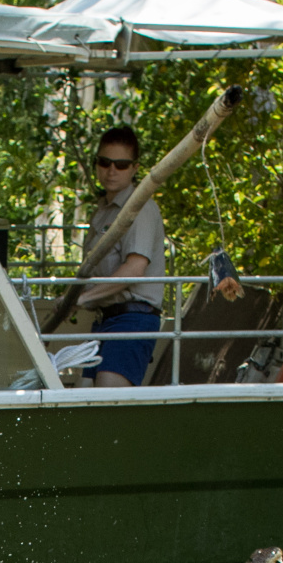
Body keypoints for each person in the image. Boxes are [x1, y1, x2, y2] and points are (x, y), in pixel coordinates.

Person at [78, 125, 165, 389]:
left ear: (135, 168)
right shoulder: (102, 211)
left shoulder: (140, 209)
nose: (112, 170)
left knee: (108, 394)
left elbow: (135, 268)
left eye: (121, 164)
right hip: (106, 318)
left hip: (133, 319)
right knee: (83, 395)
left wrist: (80, 298)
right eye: (105, 162)